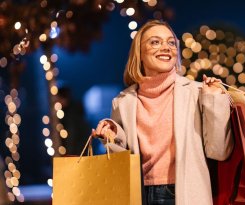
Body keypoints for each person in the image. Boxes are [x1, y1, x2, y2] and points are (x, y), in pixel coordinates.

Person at [93, 19, 234, 205]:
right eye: (155, 42)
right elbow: (122, 156)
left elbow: (220, 151)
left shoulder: (198, 93)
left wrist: (214, 99)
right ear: (140, 53)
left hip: (184, 194)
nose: (166, 47)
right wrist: (111, 135)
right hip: (138, 194)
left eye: (170, 42)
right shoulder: (122, 102)